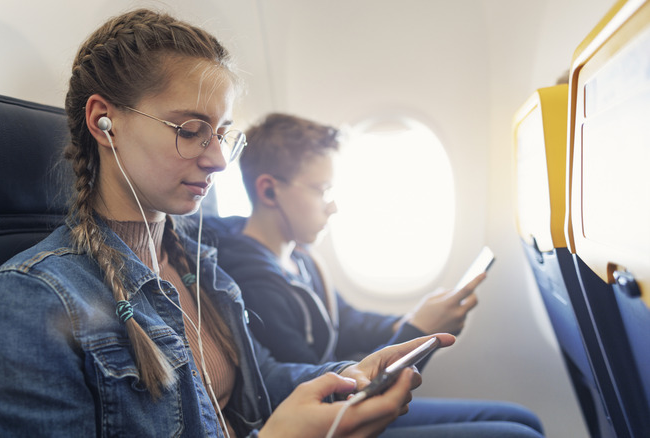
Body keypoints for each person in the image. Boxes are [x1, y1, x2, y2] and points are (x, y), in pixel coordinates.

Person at [0, 9, 457, 438]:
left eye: (222, 134)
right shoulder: (29, 300)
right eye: (192, 131)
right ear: (103, 122)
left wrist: (351, 373)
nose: (219, 161)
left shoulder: (197, 261)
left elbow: (260, 380)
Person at [205, 113, 546, 437]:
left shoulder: (301, 259)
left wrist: (416, 320)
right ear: (268, 191)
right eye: (322, 189)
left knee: (523, 418)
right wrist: (420, 331)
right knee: (518, 433)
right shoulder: (251, 283)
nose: (333, 206)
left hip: (342, 402)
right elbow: (324, 396)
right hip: (328, 419)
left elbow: (348, 322)